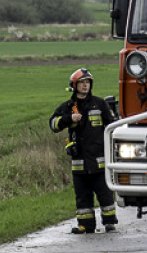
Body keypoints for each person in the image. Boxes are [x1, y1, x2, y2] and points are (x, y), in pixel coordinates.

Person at [49, 68, 118, 234]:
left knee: (105, 195)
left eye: (87, 82)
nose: (85, 86)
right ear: (74, 85)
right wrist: (68, 119)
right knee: (82, 197)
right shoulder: (68, 107)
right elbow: (53, 124)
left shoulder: (100, 104)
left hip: (99, 161)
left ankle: (110, 223)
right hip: (79, 164)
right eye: (82, 83)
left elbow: (112, 126)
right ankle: (85, 225)